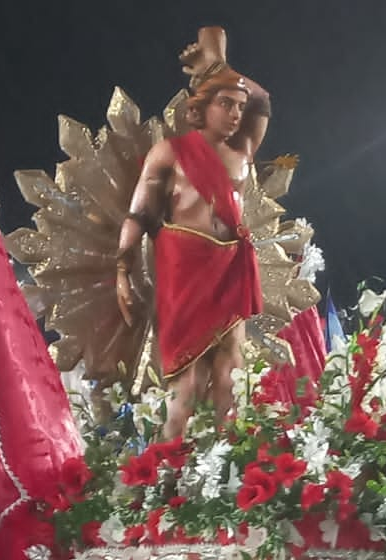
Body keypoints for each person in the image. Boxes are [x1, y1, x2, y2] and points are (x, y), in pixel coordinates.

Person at [117, 26, 270, 441]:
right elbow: (138, 215)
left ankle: (229, 462)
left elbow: (263, 100)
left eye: (239, 106)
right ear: (201, 107)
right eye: (226, 103)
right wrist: (123, 269)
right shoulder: (170, 152)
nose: (238, 113)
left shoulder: (243, 154)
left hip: (231, 266)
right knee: (186, 382)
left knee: (231, 370)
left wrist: (219, 66)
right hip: (185, 269)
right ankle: (167, 474)